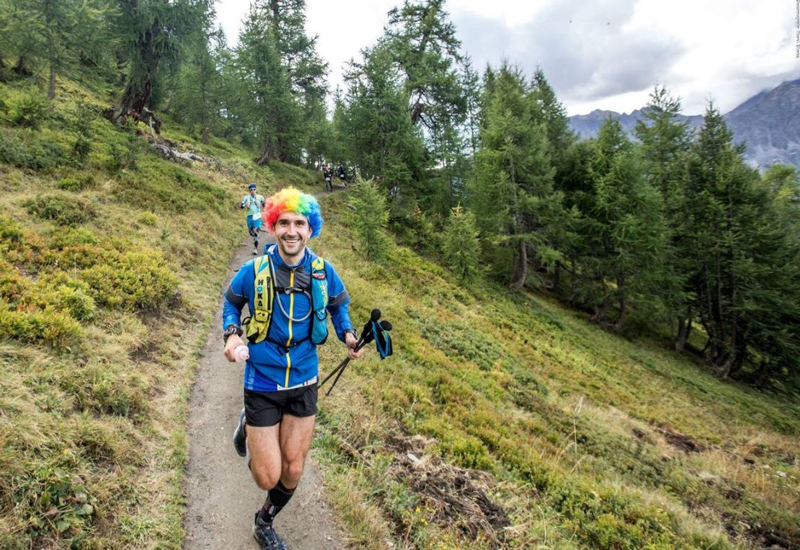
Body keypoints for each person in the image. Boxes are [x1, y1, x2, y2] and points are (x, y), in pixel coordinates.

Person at [222, 187, 364, 550]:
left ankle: (264, 521)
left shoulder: (322, 271)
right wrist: (233, 335)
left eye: (299, 223)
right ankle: (248, 424)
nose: (291, 230)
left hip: (304, 376)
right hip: (263, 378)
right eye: (283, 222)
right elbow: (231, 303)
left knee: (294, 469)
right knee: (266, 474)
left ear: (310, 229)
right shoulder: (254, 271)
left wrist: (347, 334)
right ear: (272, 226)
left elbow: (337, 307)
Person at [240, 183, 265, 255]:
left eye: (254, 189)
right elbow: (241, 206)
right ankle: (256, 237)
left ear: (256, 190)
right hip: (250, 217)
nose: (253, 191)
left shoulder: (260, 197)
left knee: (256, 232)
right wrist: (244, 205)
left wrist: (264, 205)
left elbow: (264, 205)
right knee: (251, 232)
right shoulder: (246, 198)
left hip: (257, 216)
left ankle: (255, 249)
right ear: (249, 191)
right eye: (251, 190)